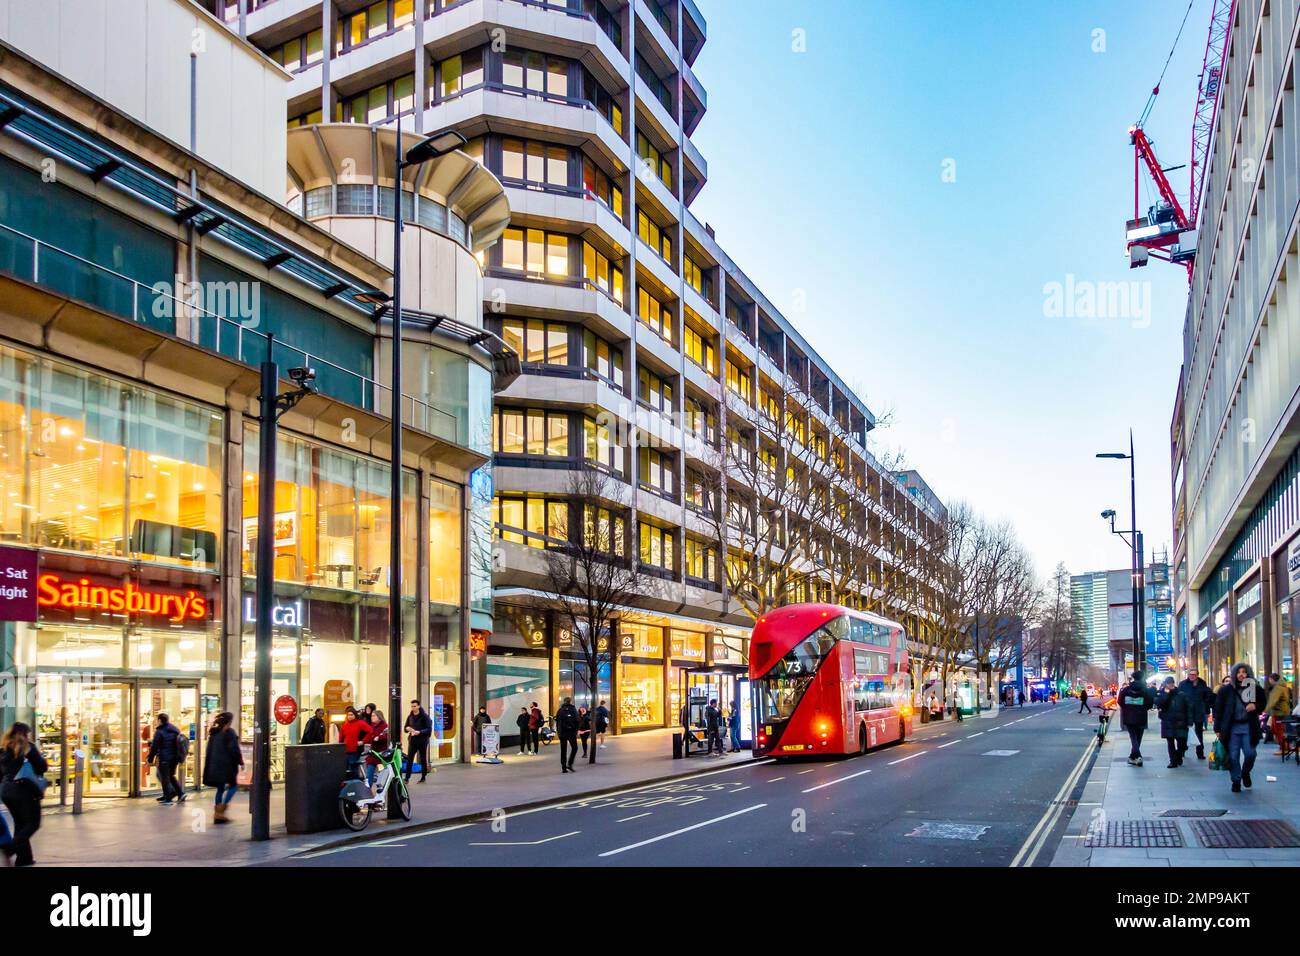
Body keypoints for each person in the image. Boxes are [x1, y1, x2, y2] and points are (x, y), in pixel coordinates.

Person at [1213, 662, 1267, 793]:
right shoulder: (1226, 690)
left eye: (1244, 672)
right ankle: (1236, 780)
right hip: (1231, 728)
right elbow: (1218, 709)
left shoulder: (1254, 688)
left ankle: (1245, 772)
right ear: (1234, 674)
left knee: (1250, 754)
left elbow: (1263, 703)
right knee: (1233, 756)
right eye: (1238, 672)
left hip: (1249, 727)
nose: (1241, 675)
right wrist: (1217, 728)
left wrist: (1256, 706)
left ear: (1248, 673)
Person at [0, 723, 46, 867]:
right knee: (33, 823)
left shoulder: (3, 748)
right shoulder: (28, 747)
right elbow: (42, 767)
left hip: (6, 791)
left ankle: (24, 858)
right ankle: (10, 849)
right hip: (24, 790)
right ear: (25, 734)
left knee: (21, 824)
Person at [202, 712, 243, 824]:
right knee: (233, 786)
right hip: (227, 765)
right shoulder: (229, 733)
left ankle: (217, 814)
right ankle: (221, 811)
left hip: (215, 765)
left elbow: (209, 750)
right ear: (229, 721)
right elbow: (234, 750)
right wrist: (240, 762)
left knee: (220, 788)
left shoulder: (213, 733)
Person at [147, 712, 186, 805]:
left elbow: (154, 746)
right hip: (175, 758)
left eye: (157, 720)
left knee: (164, 778)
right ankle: (180, 793)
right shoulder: (175, 729)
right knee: (171, 776)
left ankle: (168, 799)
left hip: (165, 757)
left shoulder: (159, 731)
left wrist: (150, 759)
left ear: (160, 720)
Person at [1117, 671, 1155, 766]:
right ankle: (1135, 756)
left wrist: (1127, 708)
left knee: (1133, 737)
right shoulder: (1146, 690)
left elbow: (1120, 701)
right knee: (1138, 737)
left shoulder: (1126, 690)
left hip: (1129, 716)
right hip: (1141, 716)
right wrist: (1143, 708)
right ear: (1142, 678)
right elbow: (1150, 703)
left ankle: (1136, 756)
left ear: (1133, 678)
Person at [1177, 668, 1216, 759]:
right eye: (1190, 674)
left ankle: (1200, 752)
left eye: (1194, 674)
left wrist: (1206, 711)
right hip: (1186, 712)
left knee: (1199, 732)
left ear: (1197, 675)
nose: (1192, 676)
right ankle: (1182, 749)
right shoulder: (1183, 684)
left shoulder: (1202, 683)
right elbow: (1179, 697)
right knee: (1184, 732)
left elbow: (1206, 698)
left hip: (1198, 711)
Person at [1155, 677, 1191, 768]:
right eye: (1168, 683)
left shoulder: (1181, 694)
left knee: (1182, 743)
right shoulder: (1161, 693)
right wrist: (1166, 694)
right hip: (1168, 721)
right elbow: (1159, 704)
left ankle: (1179, 756)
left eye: (1171, 683)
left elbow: (1188, 707)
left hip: (1181, 721)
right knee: (1170, 742)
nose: (1170, 685)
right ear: (1165, 684)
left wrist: (1190, 720)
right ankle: (1173, 761)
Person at [339, 706, 373, 780]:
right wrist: (340, 748)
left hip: (355, 749)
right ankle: (350, 785)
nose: (350, 716)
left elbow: (371, 731)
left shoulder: (360, 723)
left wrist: (363, 741)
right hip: (346, 750)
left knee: (353, 767)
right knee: (347, 768)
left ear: (355, 715)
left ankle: (355, 784)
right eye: (348, 715)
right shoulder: (345, 725)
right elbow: (341, 737)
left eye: (351, 715)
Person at [404, 700, 433, 782]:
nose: (413, 708)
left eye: (415, 706)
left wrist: (419, 732)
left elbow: (429, 729)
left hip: (422, 741)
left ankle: (423, 776)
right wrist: (408, 728)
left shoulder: (424, 716)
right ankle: (407, 778)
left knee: (423, 759)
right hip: (413, 740)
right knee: (410, 759)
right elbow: (405, 727)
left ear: (419, 706)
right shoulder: (410, 716)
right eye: (412, 706)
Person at [1265, 673, 1292, 747]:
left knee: (1278, 729)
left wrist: (1265, 710)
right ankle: (1284, 746)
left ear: (1272, 679)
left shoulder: (1278, 688)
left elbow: (1273, 701)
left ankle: (1284, 747)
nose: (1269, 681)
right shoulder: (1282, 686)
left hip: (1279, 711)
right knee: (1276, 728)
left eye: (1269, 679)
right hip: (1280, 711)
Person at [364, 709, 390, 788]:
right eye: (371, 716)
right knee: (370, 770)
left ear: (379, 717)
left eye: (373, 715)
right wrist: (363, 741)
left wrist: (379, 737)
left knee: (382, 771)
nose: (372, 717)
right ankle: (369, 786)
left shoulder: (385, 726)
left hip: (381, 754)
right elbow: (369, 736)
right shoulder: (373, 726)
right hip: (373, 753)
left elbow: (387, 736)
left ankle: (382, 786)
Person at [555, 697, 580, 773]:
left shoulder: (560, 710)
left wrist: (559, 732)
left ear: (564, 701)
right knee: (575, 748)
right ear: (570, 701)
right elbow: (577, 720)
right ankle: (570, 763)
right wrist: (575, 731)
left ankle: (563, 767)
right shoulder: (573, 709)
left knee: (563, 750)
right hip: (571, 733)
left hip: (562, 734)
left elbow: (557, 722)